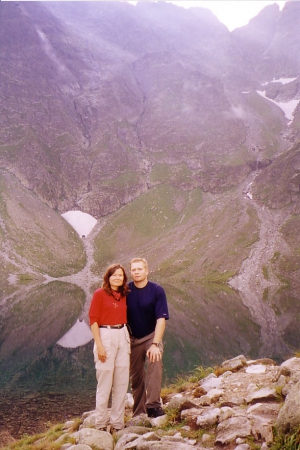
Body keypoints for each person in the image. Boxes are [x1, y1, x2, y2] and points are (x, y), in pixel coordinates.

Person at [89, 264, 130, 432]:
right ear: (108, 277)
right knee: (105, 382)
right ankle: (100, 424)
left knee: (121, 382)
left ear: (123, 278)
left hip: (123, 333)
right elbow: (93, 320)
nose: (117, 278)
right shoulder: (99, 294)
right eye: (114, 275)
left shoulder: (126, 294)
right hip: (105, 335)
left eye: (120, 275)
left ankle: (117, 423)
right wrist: (99, 346)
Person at [127, 257, 169, 418]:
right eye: (134, 270)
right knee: (136, 376)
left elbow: (161, 319)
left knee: (155, 361)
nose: (136, 272)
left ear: (146, 271)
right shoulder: (126, 291)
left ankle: (153, 405)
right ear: (130, 272)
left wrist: (155, 343)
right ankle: (138, 412)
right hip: (133, 339)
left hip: (151, 336)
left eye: (140, 269)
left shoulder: (157, 290)